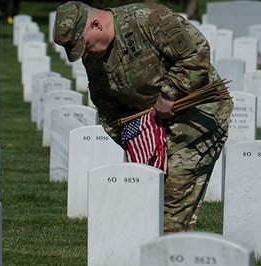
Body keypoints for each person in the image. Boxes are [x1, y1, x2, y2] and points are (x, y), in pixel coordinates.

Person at [53, 1, 233, 233]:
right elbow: (107, 105)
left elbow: (196, 52)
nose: (84, 55)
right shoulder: (93, 58)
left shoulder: (146, 20)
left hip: (196, 120)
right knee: (144, 208)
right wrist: (137, 140)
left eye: (84, 46)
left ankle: (169, 259)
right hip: (150, 132)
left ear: (96, 25)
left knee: (169, 212)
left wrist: (169, 93)